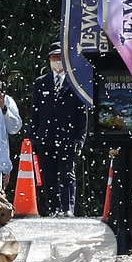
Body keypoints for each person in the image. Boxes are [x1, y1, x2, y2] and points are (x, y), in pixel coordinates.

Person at [31, 42, 88, 216]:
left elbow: (82, 114)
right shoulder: (41, 82)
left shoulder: (75, 82)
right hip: (45, 137)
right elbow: (35, 112)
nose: (56, 61)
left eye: (59, 58)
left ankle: (67, 208)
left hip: (67, 136)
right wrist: (33, 136)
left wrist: (80, 138)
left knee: (66, 173)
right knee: (48, 174)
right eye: (53, 58)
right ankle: (53, 207)